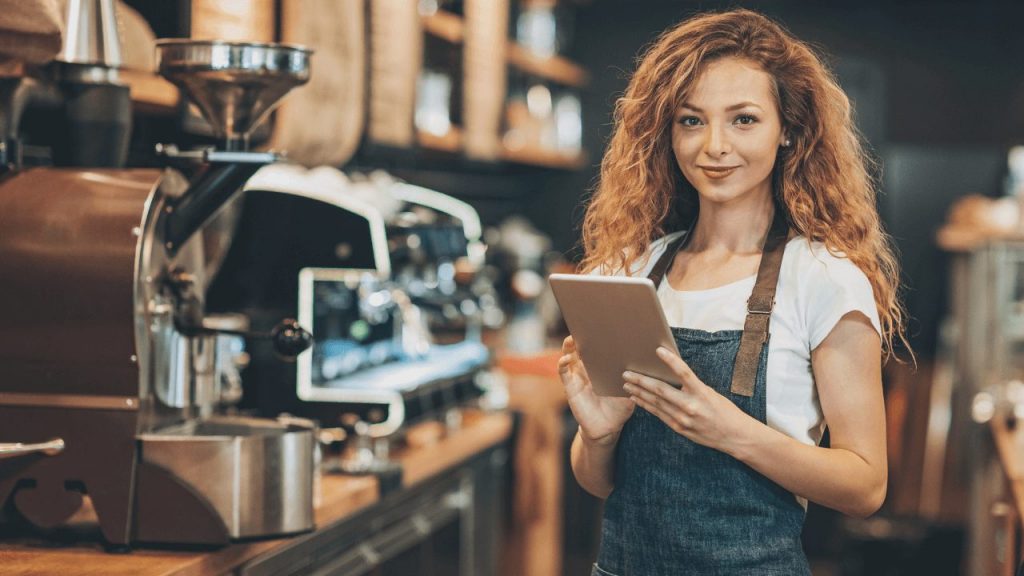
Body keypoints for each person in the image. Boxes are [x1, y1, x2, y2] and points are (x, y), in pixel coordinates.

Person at [558, 9, 909, 576]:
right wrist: (599, 435)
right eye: (691, 121)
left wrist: (732, 432)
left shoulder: (822, 277)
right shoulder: (630, 271)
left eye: (744, 119)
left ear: (789, 129)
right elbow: (597, 483)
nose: (714, 146)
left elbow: (865, 485)